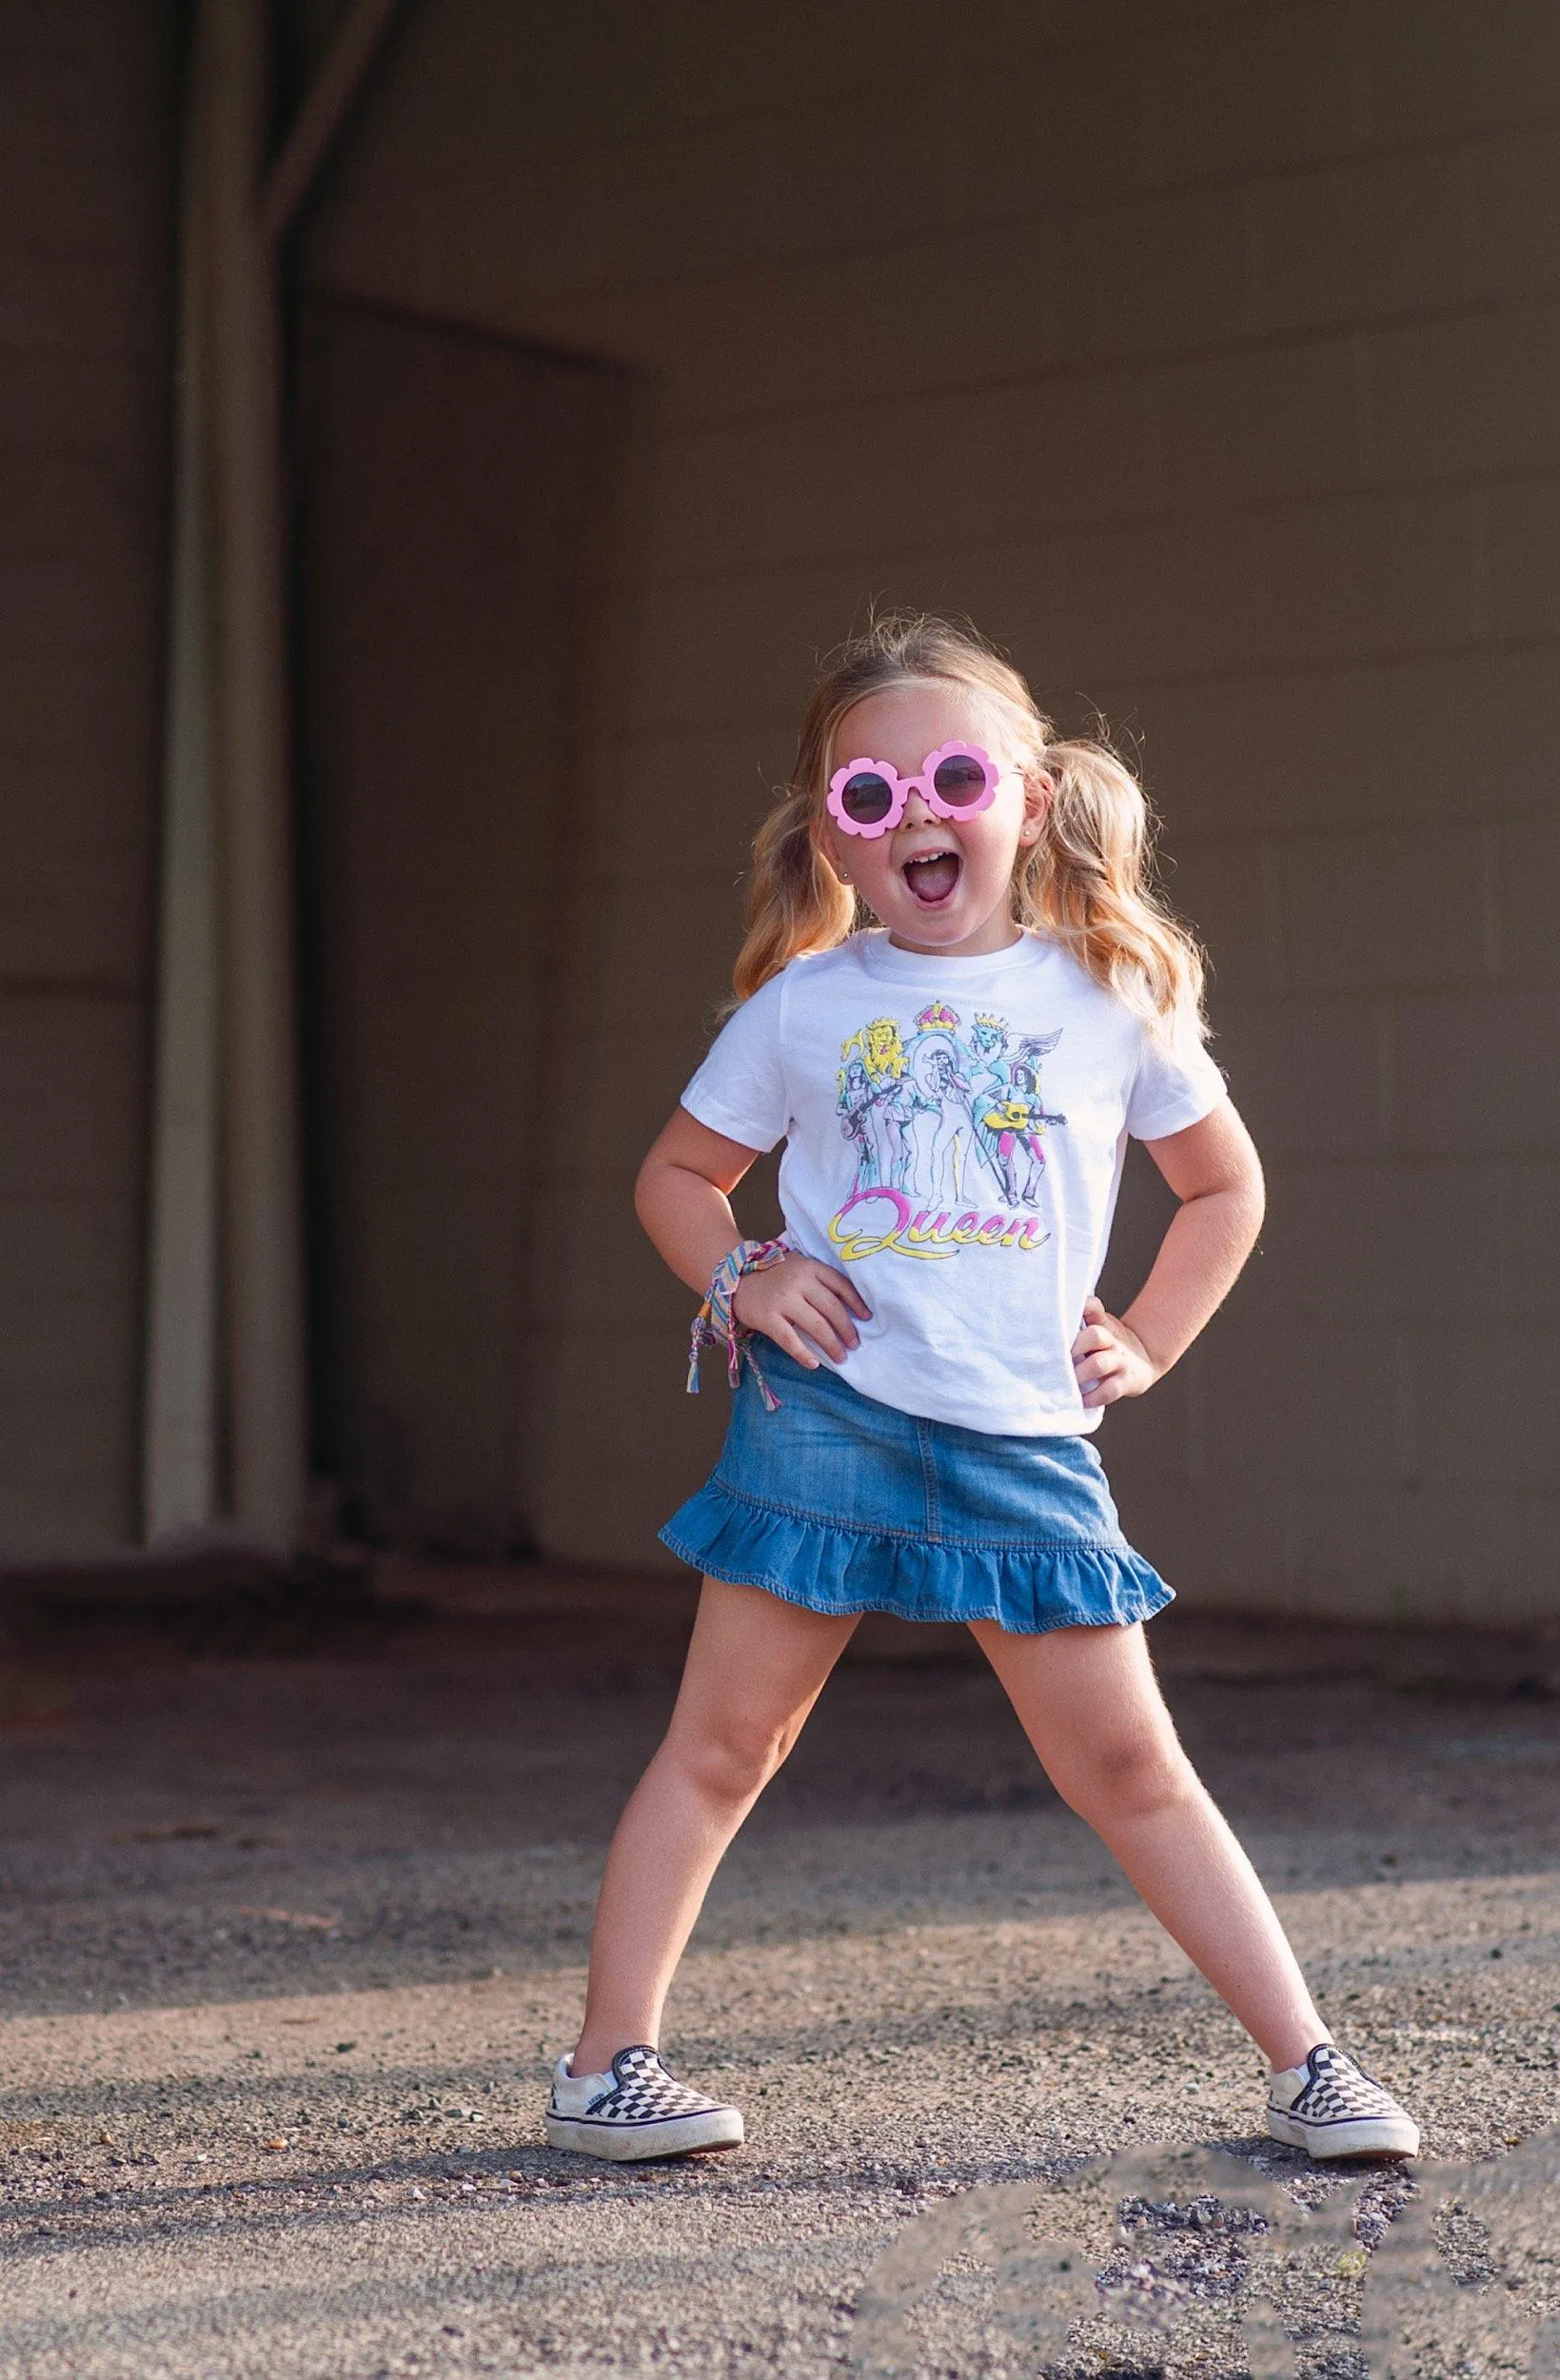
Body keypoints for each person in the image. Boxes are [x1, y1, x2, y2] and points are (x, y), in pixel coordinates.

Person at [545, 614, 1420, 2168]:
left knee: (1133, 1769)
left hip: (1024, 1439)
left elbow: (1225, 1189)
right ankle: (608, 2067)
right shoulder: (803, 1004)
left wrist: (1147, 1338)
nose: (917, 816)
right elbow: (679, 1176)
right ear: (834, 833)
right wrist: (738, 1273)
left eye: (951, 776)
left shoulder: (1107, 997)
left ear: (1031, 794)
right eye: (867, 797)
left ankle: (1310, 2064)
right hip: (827, 1415)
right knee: (725, 1748)